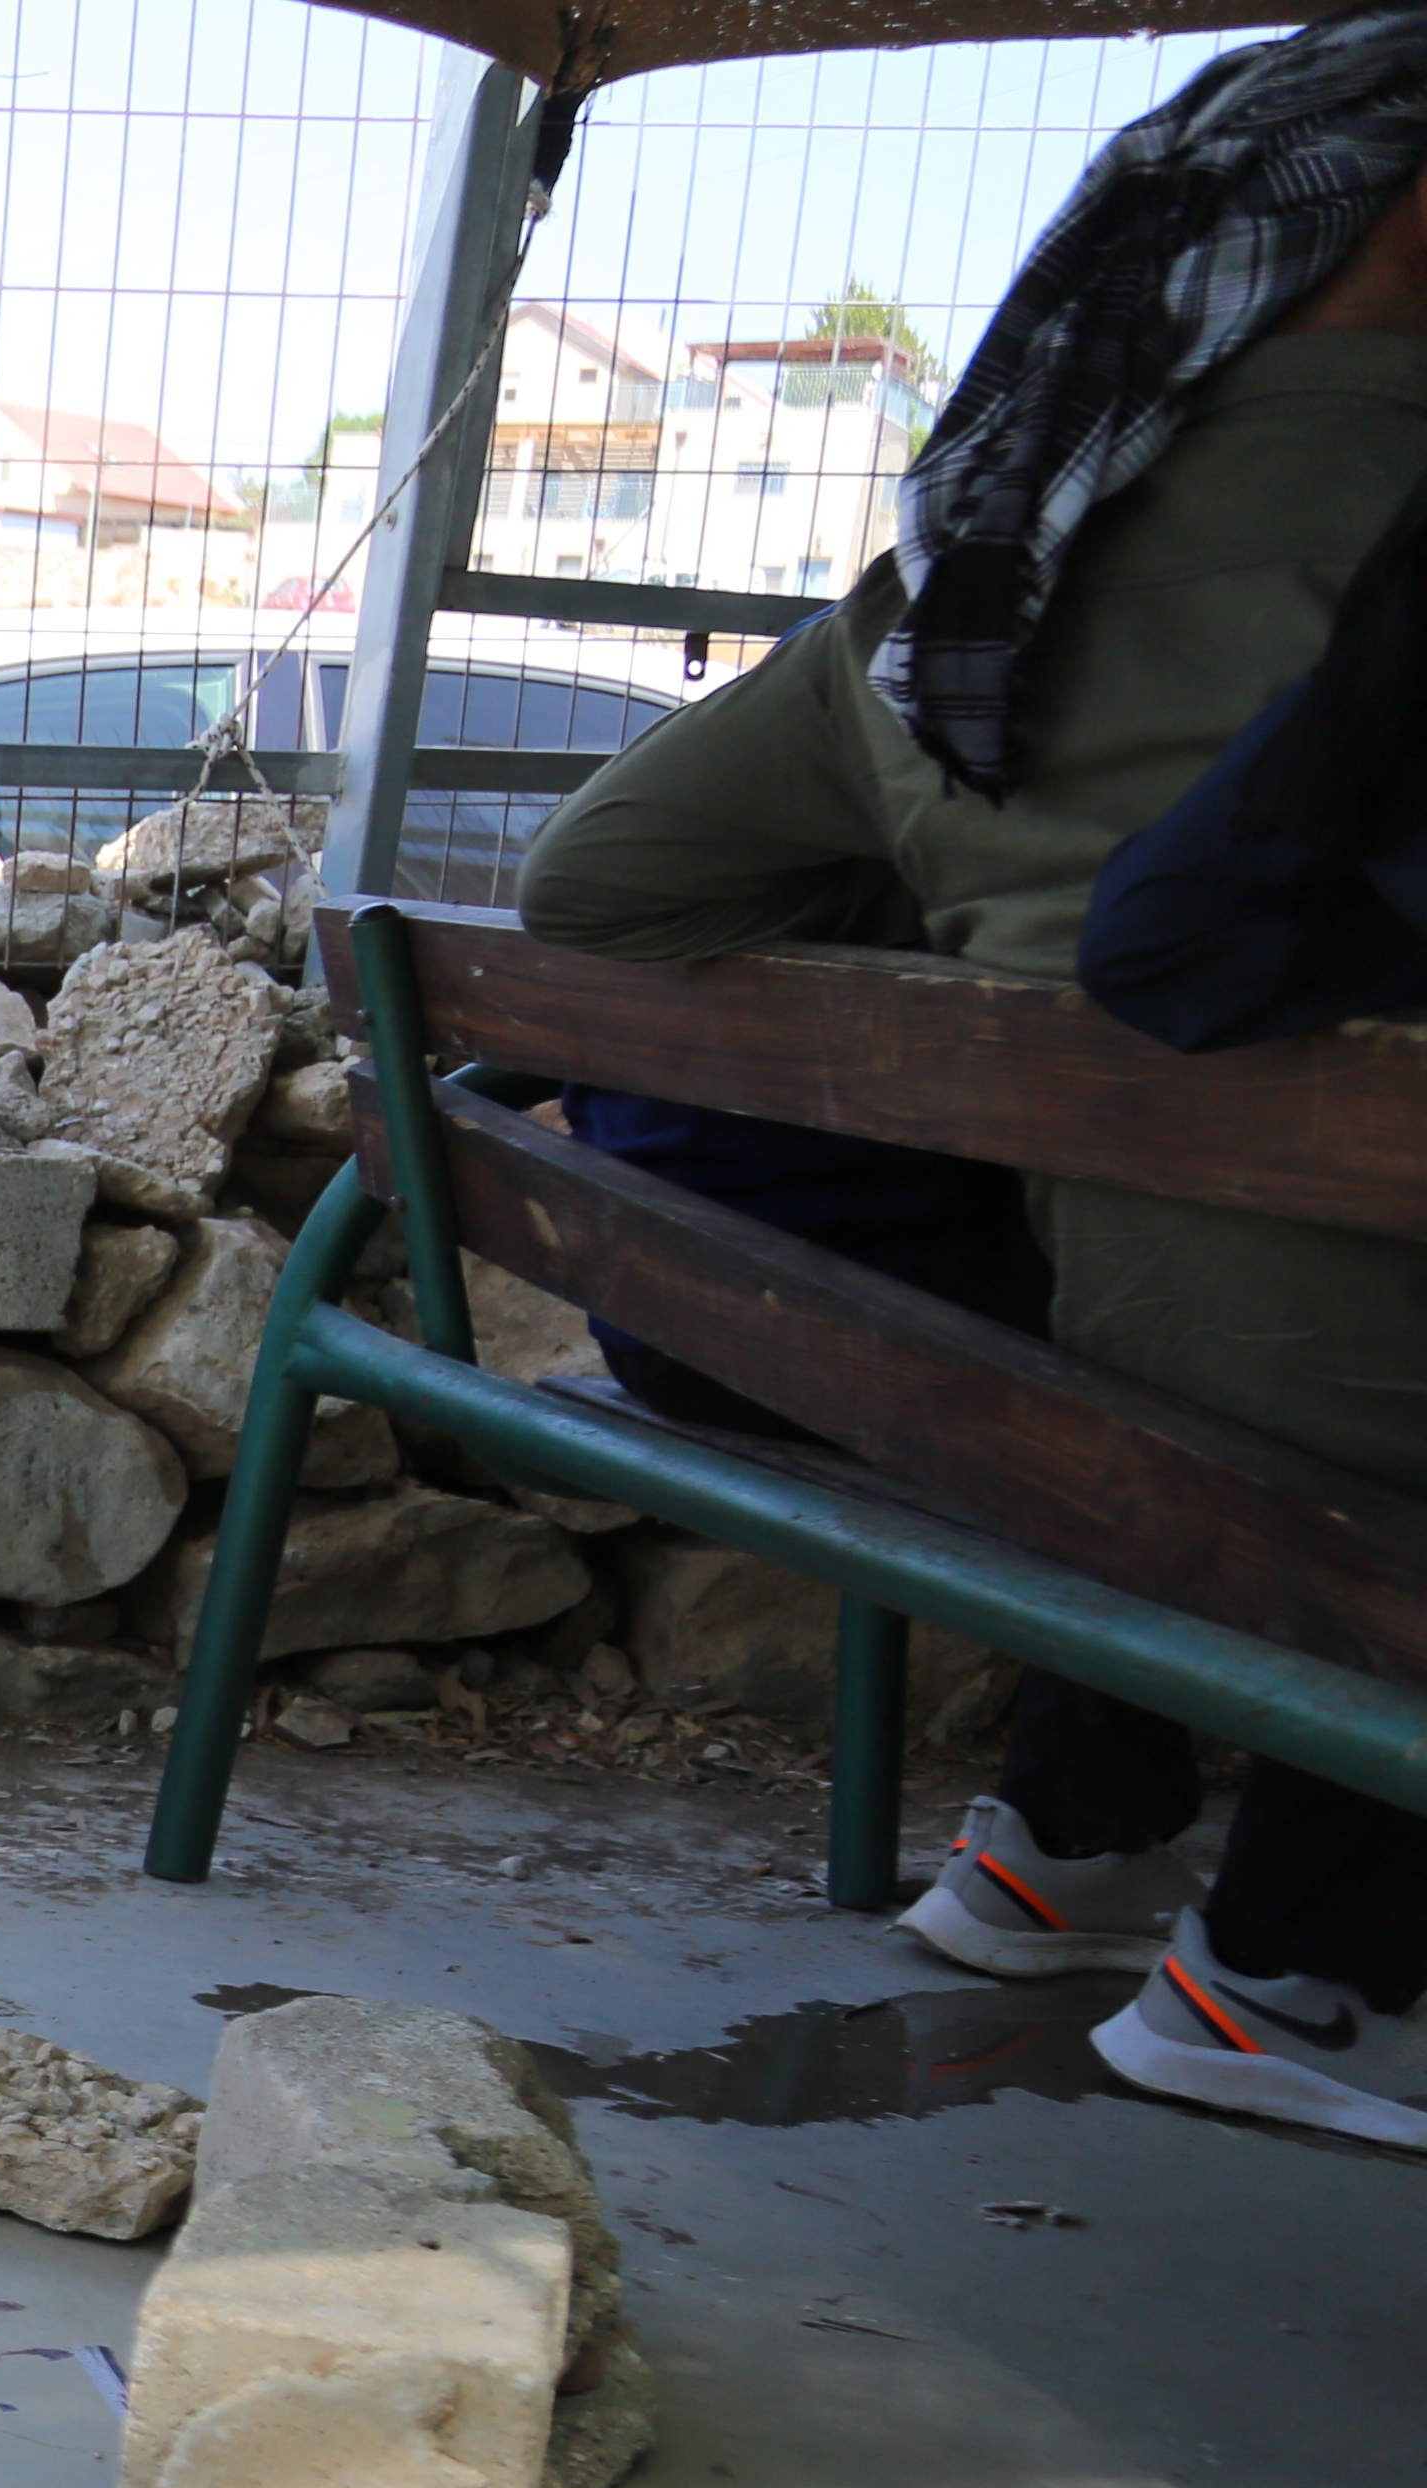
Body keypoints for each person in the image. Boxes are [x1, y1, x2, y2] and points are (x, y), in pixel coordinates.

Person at [515, 11, 1427, 2149]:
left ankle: (1067, 1841)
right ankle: (1304, 1975)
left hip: (1038, 1389)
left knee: (1137, 1296)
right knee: (1263, 1323)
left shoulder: (972, 568)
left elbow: (595, 883)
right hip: (1337, 1435)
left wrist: (965, 906)